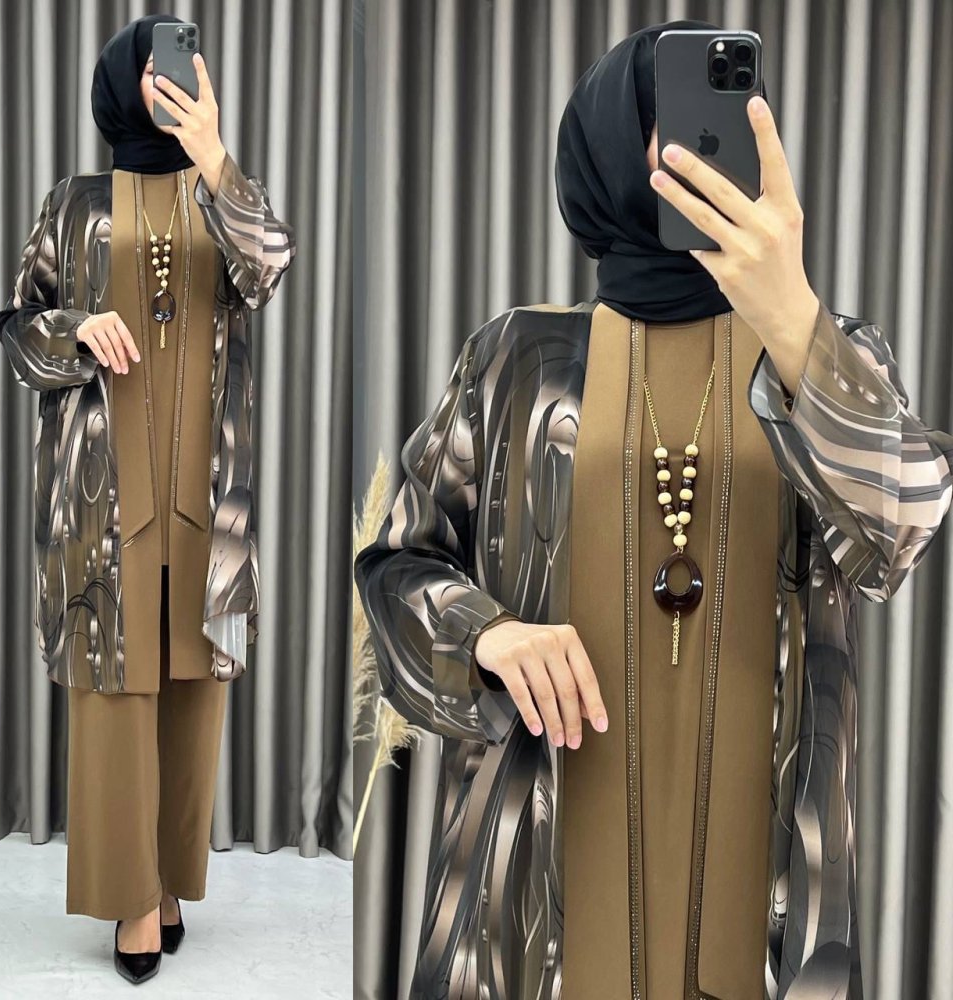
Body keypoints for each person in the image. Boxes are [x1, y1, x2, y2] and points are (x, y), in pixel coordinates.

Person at [353, 20, 953, 1000]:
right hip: (546, 848)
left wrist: (794, 321)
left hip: (762, 866)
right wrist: (488, 632)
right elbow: (396, 563)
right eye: (663, 110)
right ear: (602, 142)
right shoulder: (517, 356)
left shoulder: (828, 351)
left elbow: (906, 526)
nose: (695, 141)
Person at [0, 14, 295, 986]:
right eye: (158, 67)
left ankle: (170, 882)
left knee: (194, 688)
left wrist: (216, 157)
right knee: (117, 696)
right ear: (122, 83)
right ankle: (131, 896)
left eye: (187, 67)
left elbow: (270, 269)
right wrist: (77, 329)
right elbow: (17, 327)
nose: (173, 79)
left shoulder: (221, 189)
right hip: (103, 491)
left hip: (208, 489)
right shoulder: (75, 202)